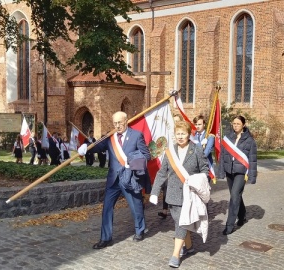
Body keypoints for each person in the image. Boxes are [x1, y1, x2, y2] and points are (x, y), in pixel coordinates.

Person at [78, 111, 151, 249]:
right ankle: (106, 238)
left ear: (126, 121)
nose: (117, 126)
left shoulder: (136, 136)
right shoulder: (110, 136)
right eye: (115, 123)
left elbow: (146, 155)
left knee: (136, 206)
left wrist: (132, 161)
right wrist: (86, 148)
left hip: (129, 178)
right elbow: (98, 147)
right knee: (107, 208)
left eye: (120, 122)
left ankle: (140, 230)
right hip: (113, 180)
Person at [149, 120, 209, 268]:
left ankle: (175, 255)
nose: (180, 136)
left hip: (189, 195)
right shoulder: (170, 152)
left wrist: (197, 181)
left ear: (189, 134)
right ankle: (189, 247)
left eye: (183, 133)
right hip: (173, 194)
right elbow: (162, 173)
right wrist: (155, 192)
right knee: (179, 222)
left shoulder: (196, 150)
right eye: (178, 134)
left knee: (182, 222)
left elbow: (205, 170)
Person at [218, 115, 257, 235]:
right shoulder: (227, 138)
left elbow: (252, 160)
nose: (235, 126)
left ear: (243, 125)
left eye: (238, 124)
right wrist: (221, 171)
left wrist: (252, 176)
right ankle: (242, 215)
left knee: (234, 195)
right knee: (236, 195)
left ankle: (229, 225)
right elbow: (222, 156)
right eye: (234, 124)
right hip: (230, 171)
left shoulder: (250, 141)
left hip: (241, 172)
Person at [158, 113, 184, 219]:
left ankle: (180, 210)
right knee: (166, 187)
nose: (176, 123)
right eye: (174, 121)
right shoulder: (169, 133)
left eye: (177, 121)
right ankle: (165, 210)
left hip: (181, 167)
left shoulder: (183, 134)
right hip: (170, 165)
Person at [192, 114, 215, 180]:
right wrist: (200, 144)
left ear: (204, 125)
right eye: (196, 124)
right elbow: (192, 149)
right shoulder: (192, 135)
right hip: (194, 166)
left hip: (205, 165)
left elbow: (207, 151)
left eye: (199, 124)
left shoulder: (209, 136)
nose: (197, 126)